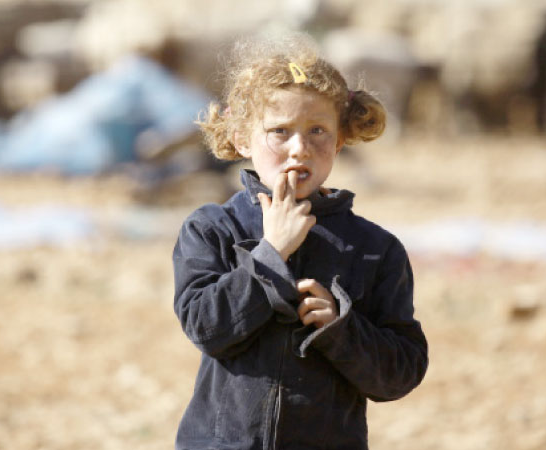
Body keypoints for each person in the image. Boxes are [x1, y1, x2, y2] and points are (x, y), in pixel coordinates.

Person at [172, 32, 428, 450]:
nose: (299, 149)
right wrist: (270, 255)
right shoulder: (213, 229)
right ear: (241, 137)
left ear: (341, 139)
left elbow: (401, 372)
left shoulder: (374, 249)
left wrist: (341, 329)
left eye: (317, 131)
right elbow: (206, 327)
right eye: (279, 131)